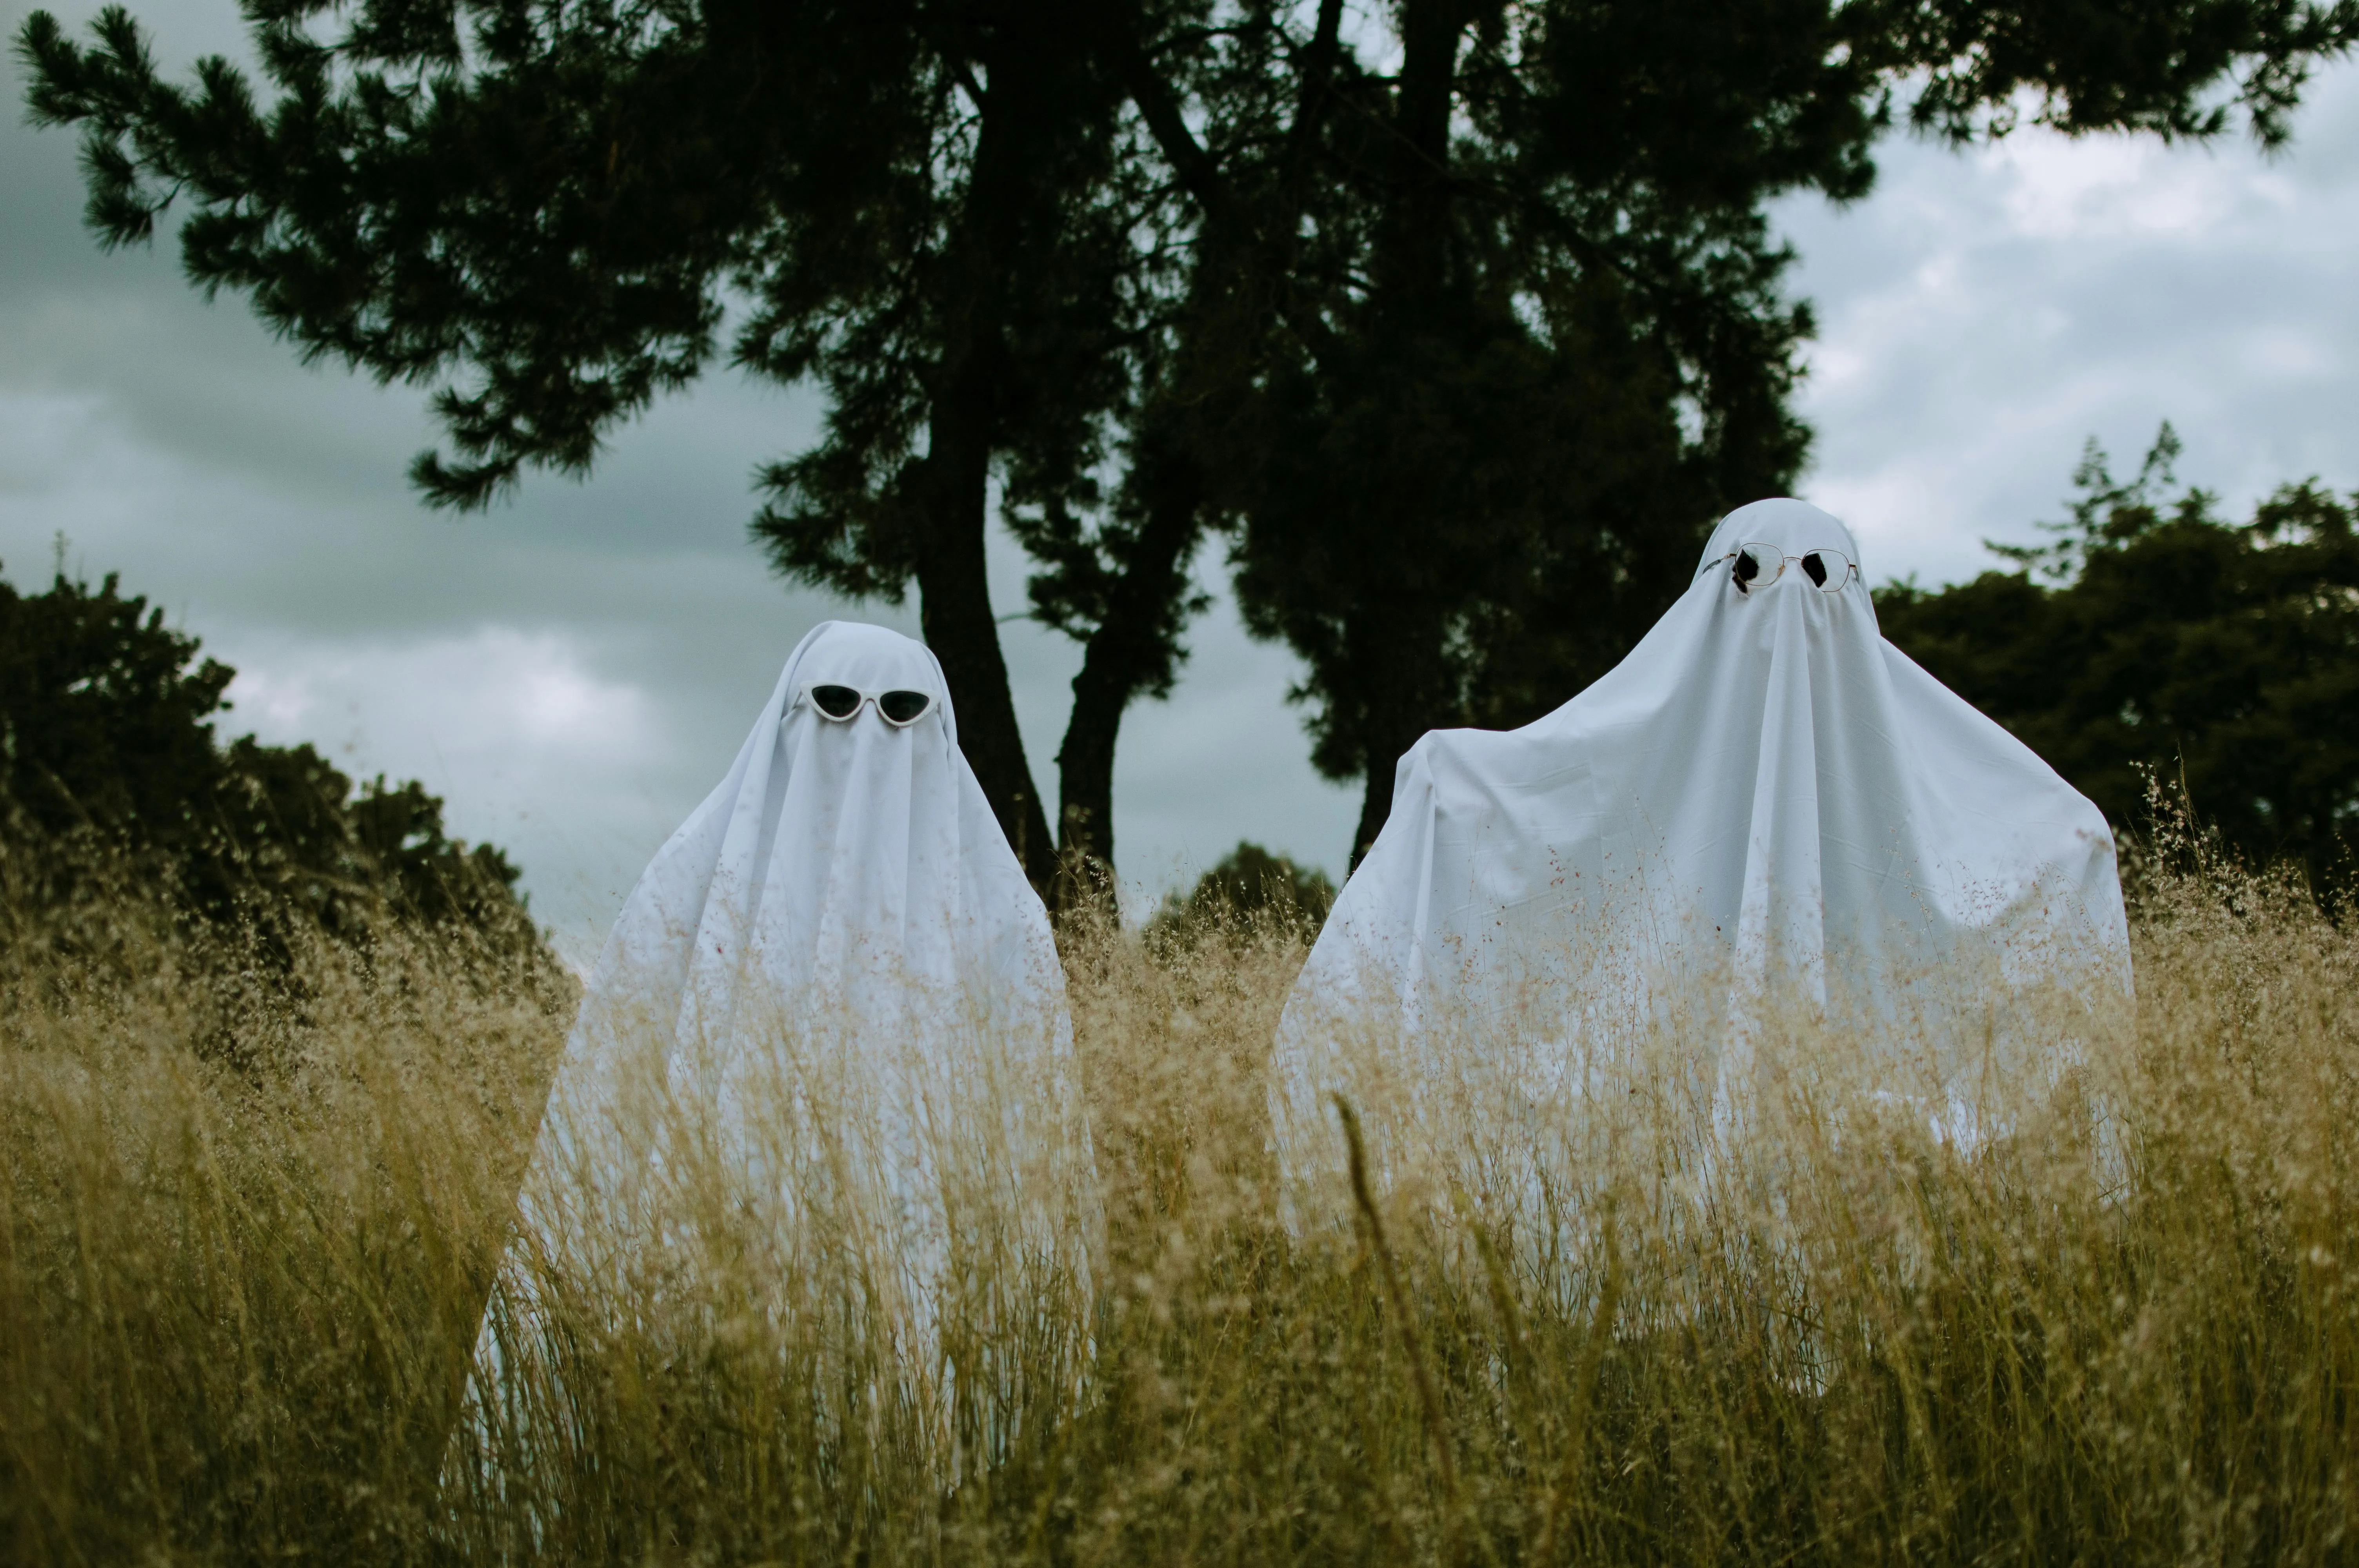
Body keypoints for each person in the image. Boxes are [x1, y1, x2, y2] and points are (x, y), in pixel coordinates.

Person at [1269, 498, 2129, 1225]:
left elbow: (2030, 840)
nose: (1789, 605)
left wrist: (2067, 846)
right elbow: (1541, 801)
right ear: (1718, 584)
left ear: (1852, 594)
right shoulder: (1644, 745)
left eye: (1818, 577)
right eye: (1754, 576)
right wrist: (1452, 788)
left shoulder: (1898, 760)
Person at [456, 621, 1094, 1492]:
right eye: (835, 705)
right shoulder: (690, 883)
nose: (868, 735)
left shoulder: (1001, 920)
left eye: (903, 711)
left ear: (939, 731)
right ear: (792, 710)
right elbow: (612, 1092)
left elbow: (1034, 1132)